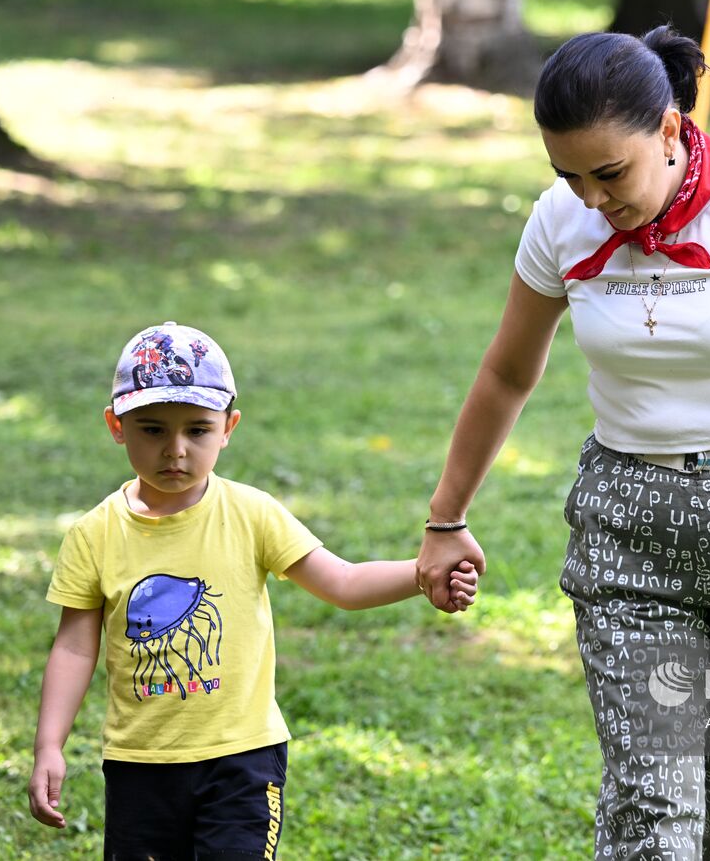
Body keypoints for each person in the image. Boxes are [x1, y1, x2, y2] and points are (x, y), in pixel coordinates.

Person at [416, 26, 710, 858]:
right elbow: (505, 376)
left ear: (669, 130)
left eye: (609, 173)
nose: (591, 199)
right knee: (652, 816)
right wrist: (445, 515)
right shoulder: (560, 223)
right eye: (568, 175)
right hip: (630, 525)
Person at [28, 321, 478, 859]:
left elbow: (343, 582)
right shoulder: (94, 534)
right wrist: (49, 744)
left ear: (228, 428)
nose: (176, 450)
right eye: (152, 430)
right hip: (138, 765)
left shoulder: (251, 514)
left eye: (197, 430)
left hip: (242, 761)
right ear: (116, 425)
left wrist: (422, 573)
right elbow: (75, 646)